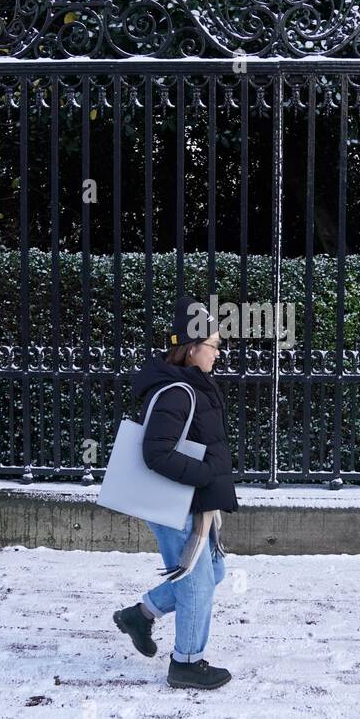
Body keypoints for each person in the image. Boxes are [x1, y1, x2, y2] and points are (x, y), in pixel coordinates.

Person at [112, 295, 239, 689]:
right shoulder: (176, 392)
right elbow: (156, 452)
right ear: (193, 347)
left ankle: (141, 615)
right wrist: (203, 475)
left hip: (192, 503)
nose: (219, 354)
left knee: (213, 572)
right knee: (197, 583)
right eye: (215, 346)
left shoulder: (190, 385)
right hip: (178, 504)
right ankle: (186, 663)